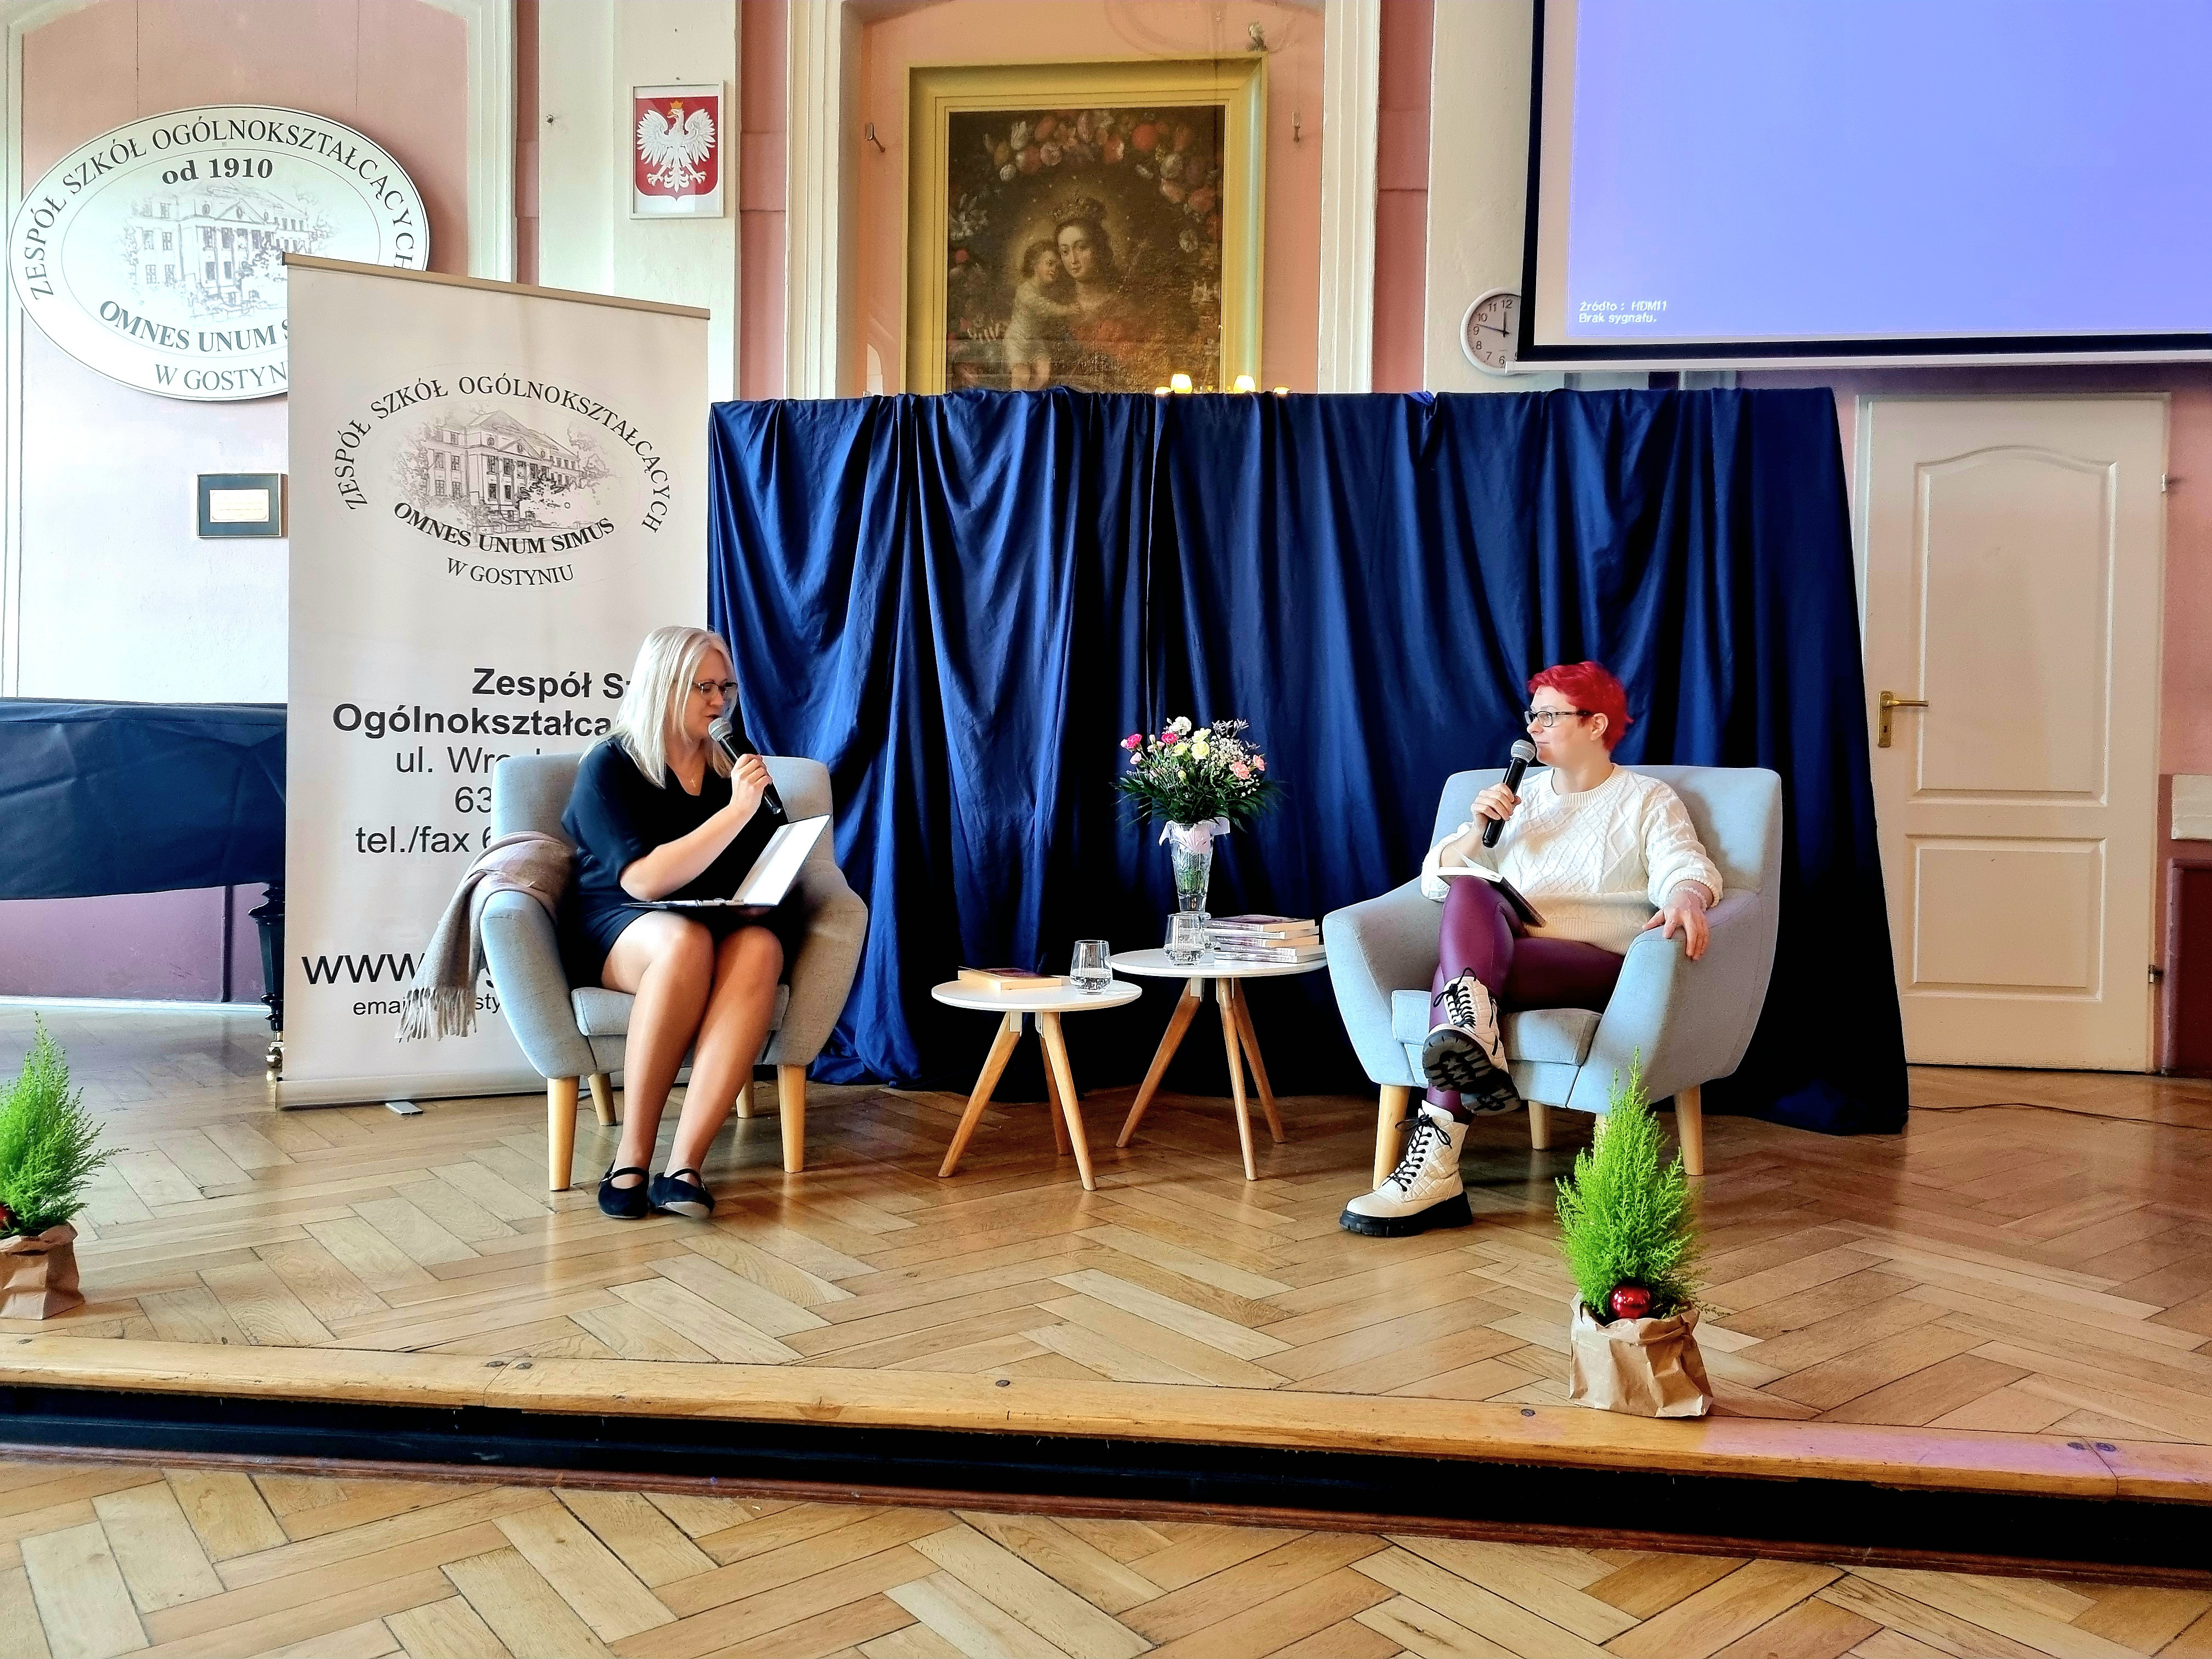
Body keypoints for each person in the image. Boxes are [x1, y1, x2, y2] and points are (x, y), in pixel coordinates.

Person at [1339, 661, 1725, 1238]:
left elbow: (1685, 865)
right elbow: (1436, 885)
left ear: (1596, 724)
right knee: (1469, 887)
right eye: (1533, 715)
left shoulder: (1647, 798)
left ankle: (1435, 1168)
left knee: (1456, 982)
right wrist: (1478, 830)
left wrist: (1687, 896)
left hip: (1596, 963)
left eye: (1550, 716)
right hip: (1504, 958)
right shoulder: (1516, 797)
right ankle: (1470, 1036)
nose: (1533, 728)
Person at [558, 625, 800, 1221]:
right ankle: (631, 1158)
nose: (720, 701)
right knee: (683, 941)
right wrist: (736, 812)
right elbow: (644, 881)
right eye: (704, 687)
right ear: (664, 685)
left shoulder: (733, 762)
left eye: (727, 687)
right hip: (623, 921)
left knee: (762, 948)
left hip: (715, 915)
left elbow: (770, 851)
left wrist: (767, 885)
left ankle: (685, 1166)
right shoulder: (610, 765)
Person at [1003, 239, 1076, 389]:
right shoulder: (1025, 291)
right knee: (1022, 375)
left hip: (1035, 341)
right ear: (1035, 265)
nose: (1054, 270)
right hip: (1018, 341)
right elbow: (1046, 307)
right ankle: (1016, 400)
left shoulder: (1049, 291)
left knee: (1044, 374)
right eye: (1050, 264)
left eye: (1057, 267)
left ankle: (1030, 398)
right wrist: (1069, 310)